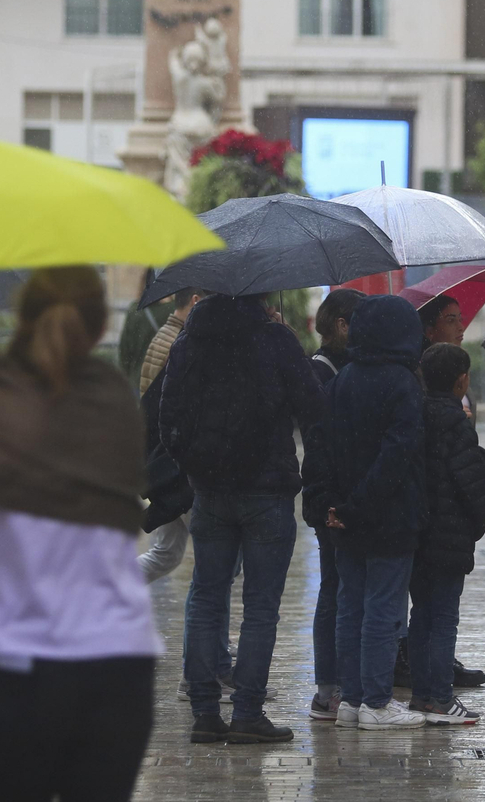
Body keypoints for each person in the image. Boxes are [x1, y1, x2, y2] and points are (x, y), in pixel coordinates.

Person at [0, 268, 161, 802]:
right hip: (116, 656)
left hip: (13, 661)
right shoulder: (114, 399)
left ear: (23, 316)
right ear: (95, 330)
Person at [160, 293, 324, 745]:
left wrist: (195, 464)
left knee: (207, 599)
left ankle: (205, 715)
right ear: (262, 295)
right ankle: (248, 713)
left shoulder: (189, 341)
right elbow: (313, 408)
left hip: (210, 491)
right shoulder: (275, 340)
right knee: (260, 607)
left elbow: (167, 415)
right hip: (267, 489)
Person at [323, 295, 429, 730]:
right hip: (388, 514)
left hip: (344, 515)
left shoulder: (342, 378)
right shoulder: (403, 384)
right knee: (384, 609)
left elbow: (324, 444)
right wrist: (364, 503)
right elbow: (397, 454)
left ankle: (351, 699)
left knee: (351, 605)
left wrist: (340, 505)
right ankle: (377, 702)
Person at [407, 343, 485, 725]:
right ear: (462, 380)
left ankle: (422, 694)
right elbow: (470, 486)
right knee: (444, 618)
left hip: (415, 534)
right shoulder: (456, 422)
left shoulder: (412, 415)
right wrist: (477, 525)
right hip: (449, 536)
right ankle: (442, 698)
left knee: (421, 616)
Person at [303, 287, 366, 721]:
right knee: (335, 590)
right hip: (330, 497)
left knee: (345, 589)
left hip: (346, 494)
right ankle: (329, 688)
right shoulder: (321, 373)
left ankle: (345, 682)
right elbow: (324, 440)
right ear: (342, 325)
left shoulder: (346, 366)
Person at [137, 288, 203, 584]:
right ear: (196, 301)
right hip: (174, 467)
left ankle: (97, 589)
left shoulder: (165, 337)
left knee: (165, 554)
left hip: (163, 464)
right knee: (214, 555)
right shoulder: (179, 344)